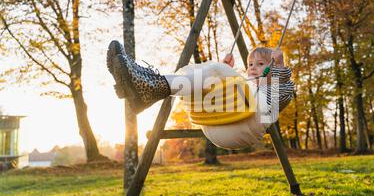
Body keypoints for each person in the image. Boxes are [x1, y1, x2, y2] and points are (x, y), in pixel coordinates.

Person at [106, 40, 294, 148]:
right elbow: (224, 89)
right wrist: (225, 70)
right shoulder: (246, 87)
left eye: (261, 64)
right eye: (250, 64)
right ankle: (146, 83)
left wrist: (279, 66)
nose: (253, 68)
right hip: (213, 125)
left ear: (273, 67)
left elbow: (281, 90)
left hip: (242, 130)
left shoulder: (276, 92)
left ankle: (149, 86)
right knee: (202, 70)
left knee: (215, 69)